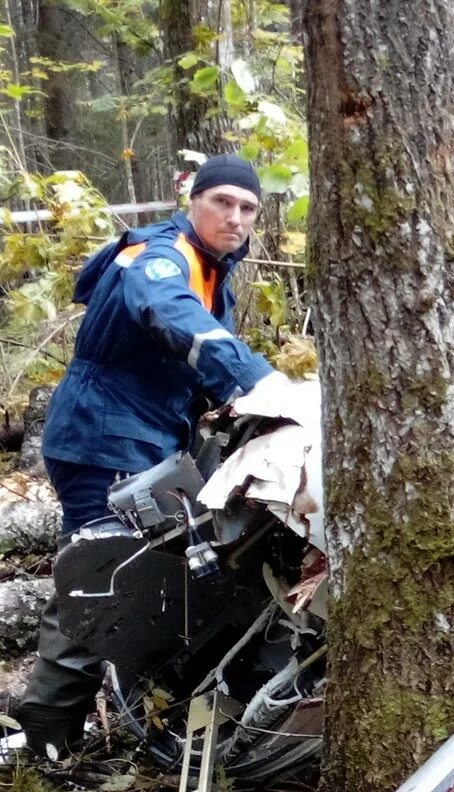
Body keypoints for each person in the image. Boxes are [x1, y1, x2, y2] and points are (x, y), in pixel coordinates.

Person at [15, 154, 287, 755]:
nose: (235, 218)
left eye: (247, 208)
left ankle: (121, 707)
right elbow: (173, 317)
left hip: (146, 436)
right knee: (108, 574)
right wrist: (258, 381)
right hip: (106, 433)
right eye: (222, 202)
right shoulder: (160, 256)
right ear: (191, 199)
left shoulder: (215, 270)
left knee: (148, 568)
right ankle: (48, 734)